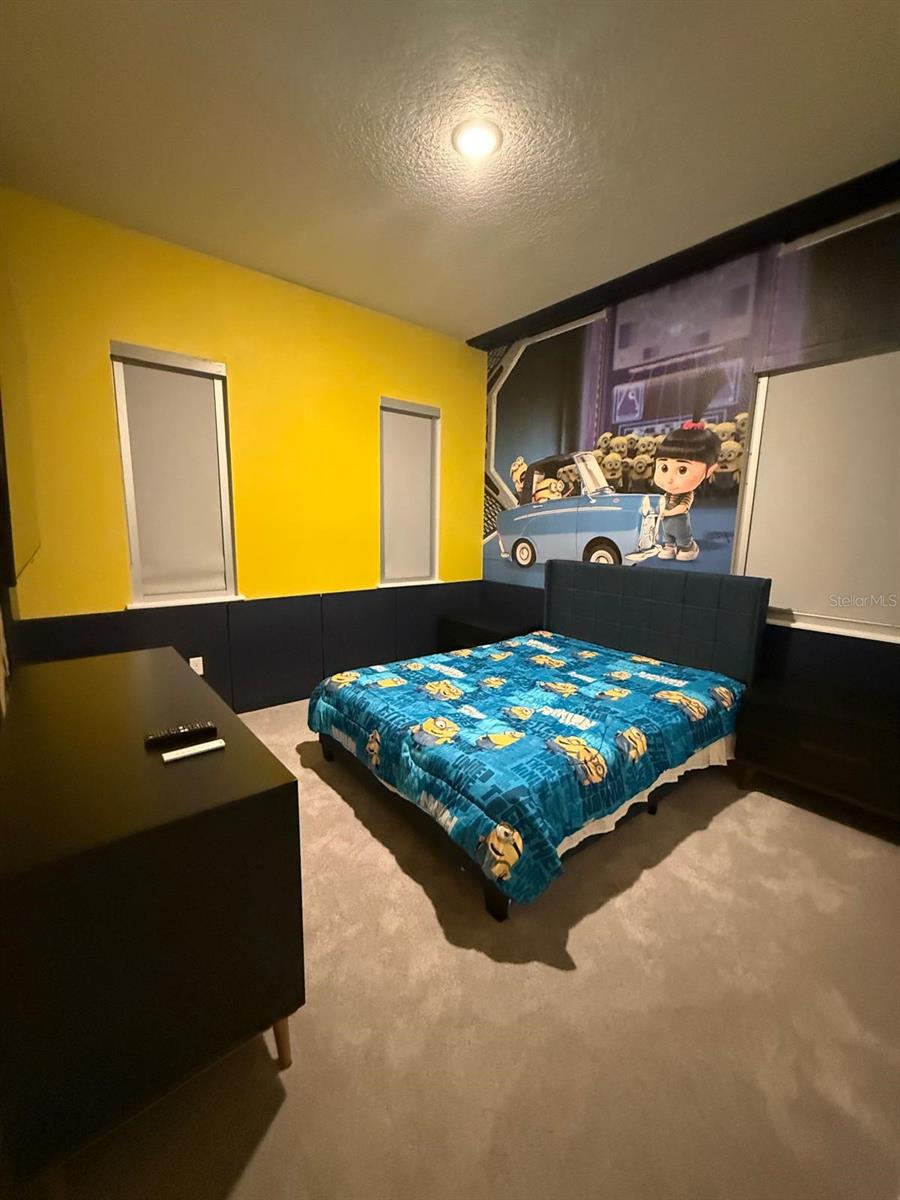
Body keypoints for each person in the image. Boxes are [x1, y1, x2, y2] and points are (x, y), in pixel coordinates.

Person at [653, 418, 720, 561]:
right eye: (664, 468)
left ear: (709, 471)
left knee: (682, 536)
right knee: (667, 535)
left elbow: (683, 508)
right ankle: (669, 546)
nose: (669, 479)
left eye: (682, 470)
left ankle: (687, 547)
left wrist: (666, 512)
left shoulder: (687, 494)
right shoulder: (667, 494)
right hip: (666, 521)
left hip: (679, 521)